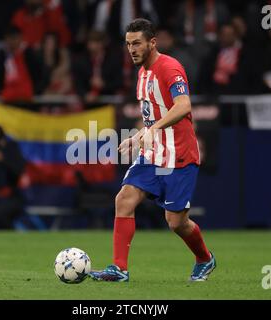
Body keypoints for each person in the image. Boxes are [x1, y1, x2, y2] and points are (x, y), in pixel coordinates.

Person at [89, 18, 216, 282]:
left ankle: (205, 258)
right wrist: (138, 137)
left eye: (137, 43)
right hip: (152, 153)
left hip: (179, 155)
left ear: (152, 43)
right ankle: (119, 269)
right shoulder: (142, 73)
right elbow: (153, 116)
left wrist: (152, 130)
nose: (132, 49)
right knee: (123, 199)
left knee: (176, 223)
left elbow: (183, 106)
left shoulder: (169, 68)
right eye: (128, 44)